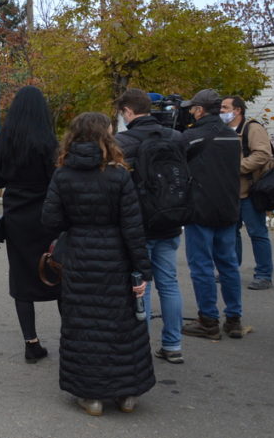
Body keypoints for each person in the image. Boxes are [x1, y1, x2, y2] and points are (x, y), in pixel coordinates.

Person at [42, 112, 154, 417]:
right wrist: (142, 270)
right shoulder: (119, 175)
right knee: (122, 326)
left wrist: (75, 225)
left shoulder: (62, 175)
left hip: (79, 259)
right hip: (115, 260)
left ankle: (91, 397)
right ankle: (127, 395)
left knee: (85, 326)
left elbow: (50, 221)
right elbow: (133, 228)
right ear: (106, 136)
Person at [114, 88, 187, 364]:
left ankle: (140, 347)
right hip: (170, 219)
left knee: (138, 284)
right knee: (169, 283)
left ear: (128, 112)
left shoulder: (122, 141)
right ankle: (173, 344)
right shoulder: (176, 138)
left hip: (137, 225)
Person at [0, 86, 60, 363]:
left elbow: (0, 181)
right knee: (57, 272)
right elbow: (55, 180)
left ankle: (31, 343)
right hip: (47, 215)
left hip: (16, 216)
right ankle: (69, 339)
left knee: (21, 278)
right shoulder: (49, 143)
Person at [179, 89, 245, 340]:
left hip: (200, 209)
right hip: (228, 207)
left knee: (202, 266)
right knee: (228, 264)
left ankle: (208, 320)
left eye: (193, 108)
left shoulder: (192, 136)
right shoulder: (231, 136)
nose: (191, 112)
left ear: (200, 110)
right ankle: (234, 319)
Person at [221, 95, 274, 290]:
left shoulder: (252, 128)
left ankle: (264, 275)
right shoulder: (224, 131)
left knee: (257, 233)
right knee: (230, 234)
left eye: (225, 108)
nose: (221, 111)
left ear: (237, 111)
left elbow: (262, 154)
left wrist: (235, 168)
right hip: (230, 192)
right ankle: (230, 270)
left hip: (250, 192)